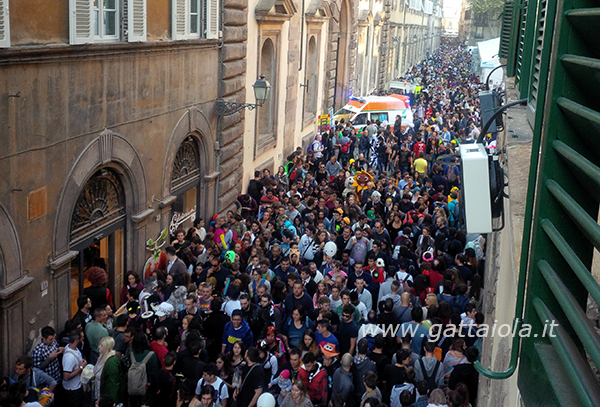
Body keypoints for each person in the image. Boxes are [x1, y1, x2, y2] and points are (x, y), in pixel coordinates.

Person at [96, 336, 124, 404]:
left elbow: (114, 384)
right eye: (99, 344)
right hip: (99, 392)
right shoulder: (101, 356)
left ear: (107, 347)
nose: (99, 347)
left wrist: (112, 402)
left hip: (106, 397)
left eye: (102, 345)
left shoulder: (111, 362)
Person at [62, 329, 87, 407]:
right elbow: (66, 377)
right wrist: (81, 368)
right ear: (76, 340)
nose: (83, 339)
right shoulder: (69, 357)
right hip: (73, 389)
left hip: (77, 385)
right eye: (82, 337)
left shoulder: (72, 348)